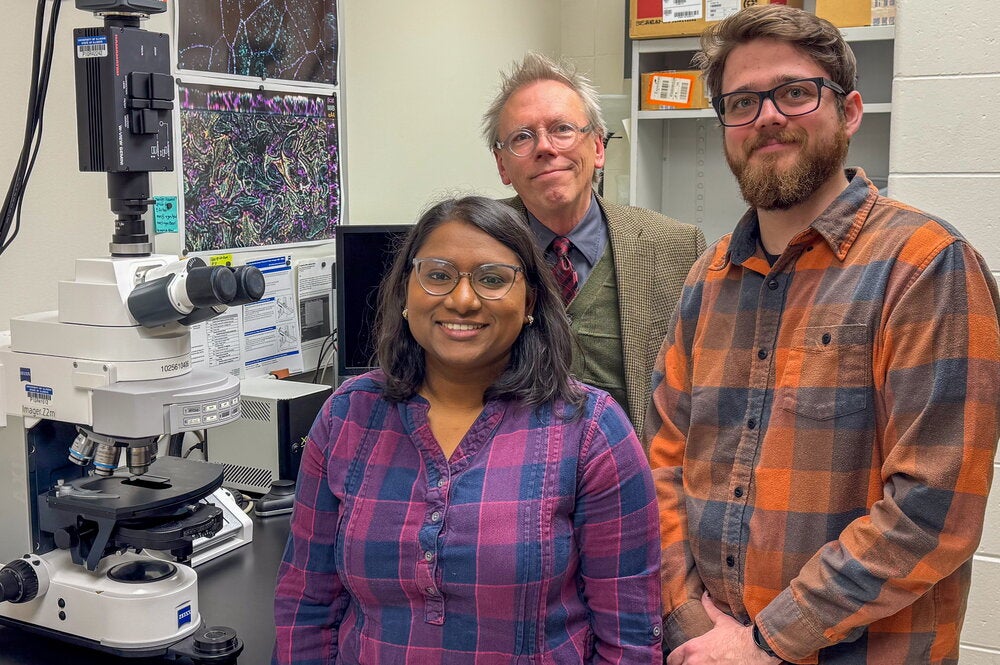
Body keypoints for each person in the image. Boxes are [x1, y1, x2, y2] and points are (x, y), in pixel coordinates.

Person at [646, 6, 1000, 665]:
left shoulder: (926, 266)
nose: (768, 116)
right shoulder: (706, 280)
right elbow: (663, 464)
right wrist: (690, 621)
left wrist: (764, 642)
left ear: (851, 110)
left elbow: (933, 510)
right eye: (742, 101)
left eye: (795, 92)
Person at [273, 196, 663, 664]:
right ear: (405, 292)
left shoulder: (591, 430)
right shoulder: (349, 415)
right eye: (438, 275)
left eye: (493, 280)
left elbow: (630, 639)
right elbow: (306, 606)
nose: (461, 300)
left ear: (530, 303)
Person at [482, 53, 706, 438]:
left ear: (598, 147)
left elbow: (698, 395)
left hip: (634, 484)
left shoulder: (678, 247)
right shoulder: (473, 245)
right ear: (502, 166)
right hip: (505, 482)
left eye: (563, 129)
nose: (545, 148)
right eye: (522, 137)